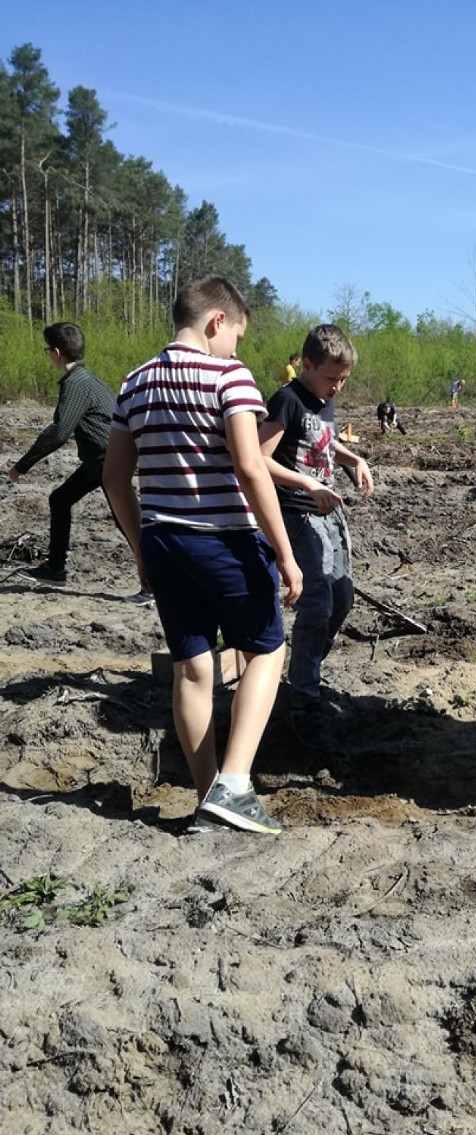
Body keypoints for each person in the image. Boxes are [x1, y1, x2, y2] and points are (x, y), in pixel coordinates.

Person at [102, 275, 303, 835]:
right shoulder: (228, 375)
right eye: (236, 335)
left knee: (193, 670)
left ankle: (206, 799)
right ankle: (235, 785)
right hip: (225, 539)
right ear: (217, 322)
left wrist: (141, 547)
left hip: (164, 540)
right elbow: (248, 465)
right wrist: (285, 552)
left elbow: (115, 477)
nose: (236, 348)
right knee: (266, 649)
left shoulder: (135, 381)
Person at [259, 324, 374, 754]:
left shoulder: (325, 402)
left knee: (343, 599)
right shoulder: (287, 399)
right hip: (297, 515)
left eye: (343, 380)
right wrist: (307, 485)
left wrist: (353, 457)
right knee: (317, 604)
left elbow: (323, 445)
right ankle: (303, 698)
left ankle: (304, 672)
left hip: (330, 514)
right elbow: (258, 458)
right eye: (331, 378)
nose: (337, 387)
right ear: (306, 365)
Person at [7, 322, 148, 600]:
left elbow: (60, 431)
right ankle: (55, 569)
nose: (48, 355)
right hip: (103, 459)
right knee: (61, 499)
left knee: (127, 520)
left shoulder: (76, 384)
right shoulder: (87, 379)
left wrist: (21, 466)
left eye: (48, 350)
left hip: (107, 460)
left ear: (57, 352)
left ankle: (156, 583)